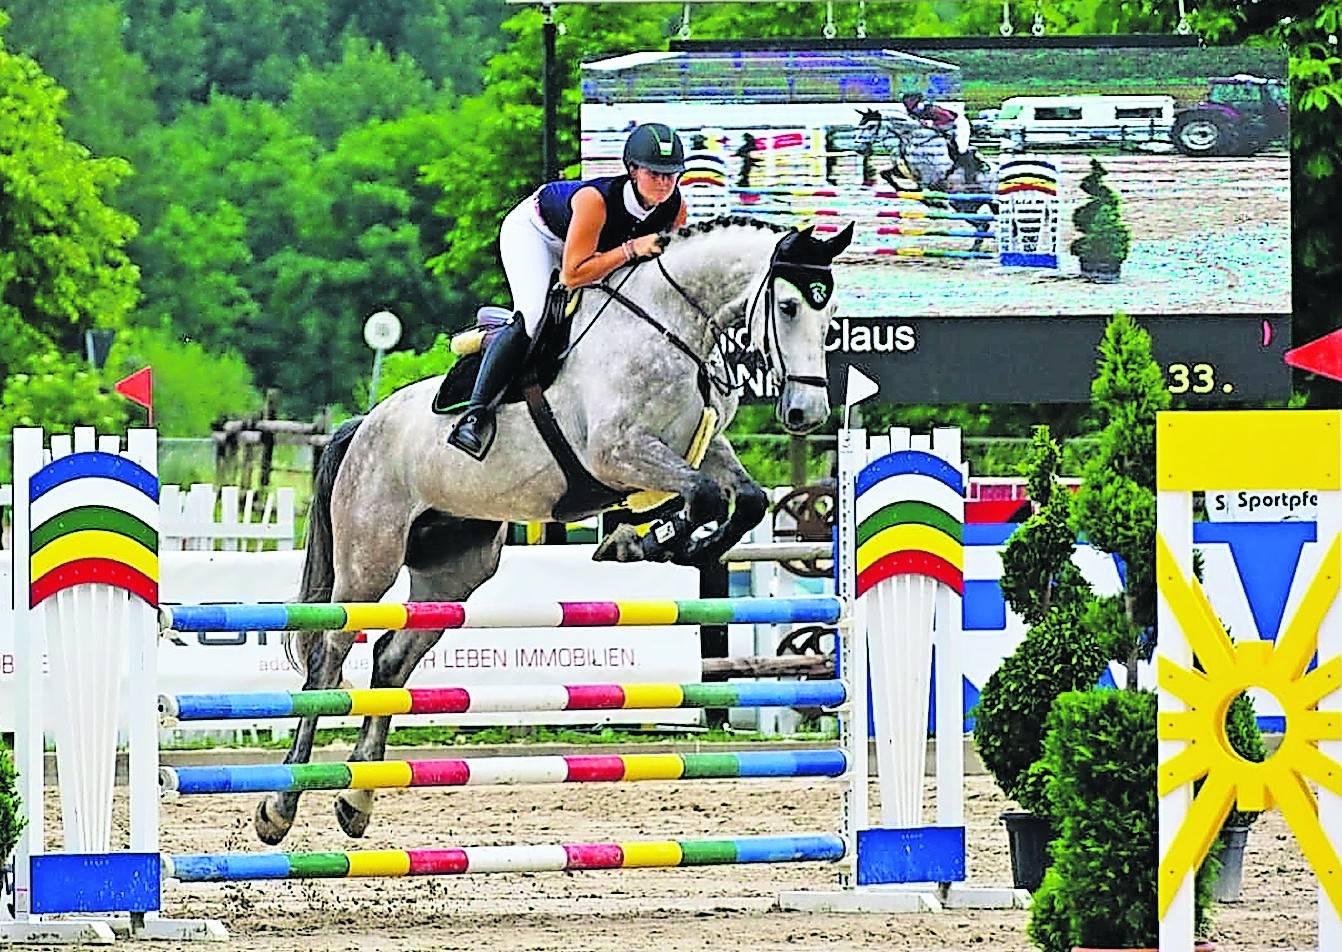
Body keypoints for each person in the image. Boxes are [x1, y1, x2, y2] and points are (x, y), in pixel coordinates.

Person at [448, 122, 691, 458]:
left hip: (592, 249)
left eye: (671, 174)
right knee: (532, 316)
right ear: (633, 171)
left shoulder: (675, 207)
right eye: (655, 173)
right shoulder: (596, 201)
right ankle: (474, 415)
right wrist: (631, 249)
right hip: (538, 236)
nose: (664, 182)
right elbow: (574, 274)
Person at [902, 92, 976, 183]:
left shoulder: (931, 109)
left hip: (958, 124)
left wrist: (931, 123)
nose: (908, 103)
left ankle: (970, 175)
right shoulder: (912, 113)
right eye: (907, 101)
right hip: (941, 129)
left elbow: (949, 118)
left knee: (961, 149)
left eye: (910, 100)